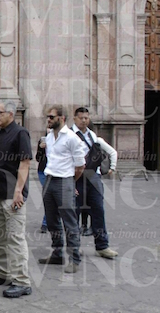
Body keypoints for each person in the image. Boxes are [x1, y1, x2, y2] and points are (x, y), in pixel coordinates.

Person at [0, 101, 33, 298]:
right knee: (1, 237)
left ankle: (22, 281)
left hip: (13, 195)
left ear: (10, 114)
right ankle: (2, 273)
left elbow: (25, 163)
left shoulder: (20, 133)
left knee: (15, 238)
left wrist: (19, 190)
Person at [38, 105, 87, 274]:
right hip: (49, 180)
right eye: (47, 117)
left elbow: (80, 166)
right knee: (51, 220)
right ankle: (57, 253)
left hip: (65, 180)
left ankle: (74, 258)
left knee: (70, 222)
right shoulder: (50, 137)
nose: (48, 120)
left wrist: (70, 183)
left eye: (51, 117)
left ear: (62, 118)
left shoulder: (72, 138)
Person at [72, 107, 118, 259]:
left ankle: (102, 246)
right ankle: (74, 246)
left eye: (86, 117)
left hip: (94, 177)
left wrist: (112, 167)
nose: (84, 120)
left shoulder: (92, 135)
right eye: (81, 117)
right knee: (74, 212)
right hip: (76, 177)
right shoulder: (69, 136)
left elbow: (111, 151)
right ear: (74, 118)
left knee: (98, 210)